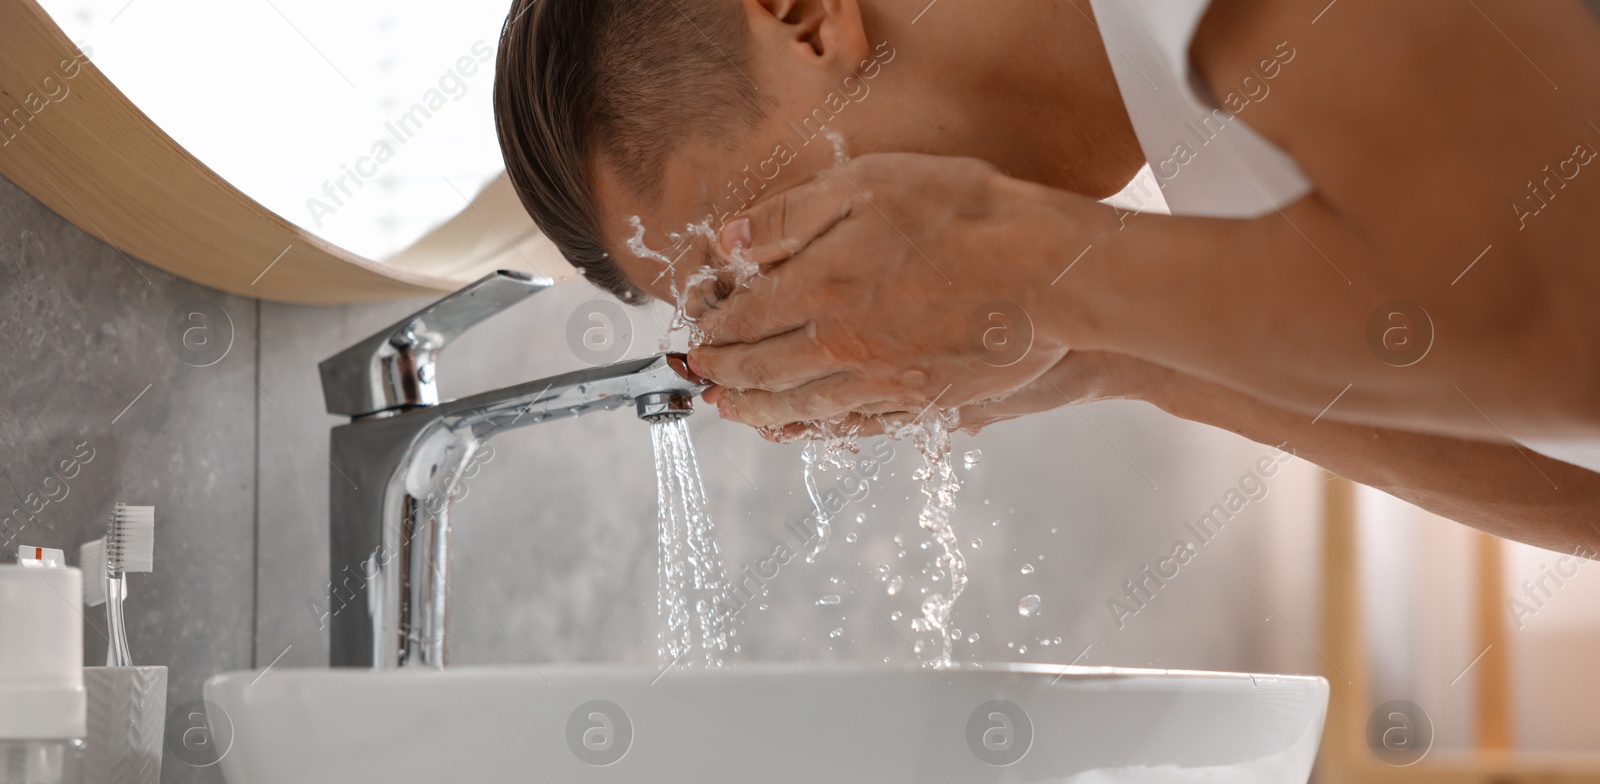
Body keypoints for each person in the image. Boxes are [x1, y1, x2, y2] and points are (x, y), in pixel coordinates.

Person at [492, 0, 1600, 553]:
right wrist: (1106, 354)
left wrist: (1030, 259)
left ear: (796, 14)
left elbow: (1563, 327)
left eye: (753, 242)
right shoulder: (1189, 117)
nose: (800, 287)